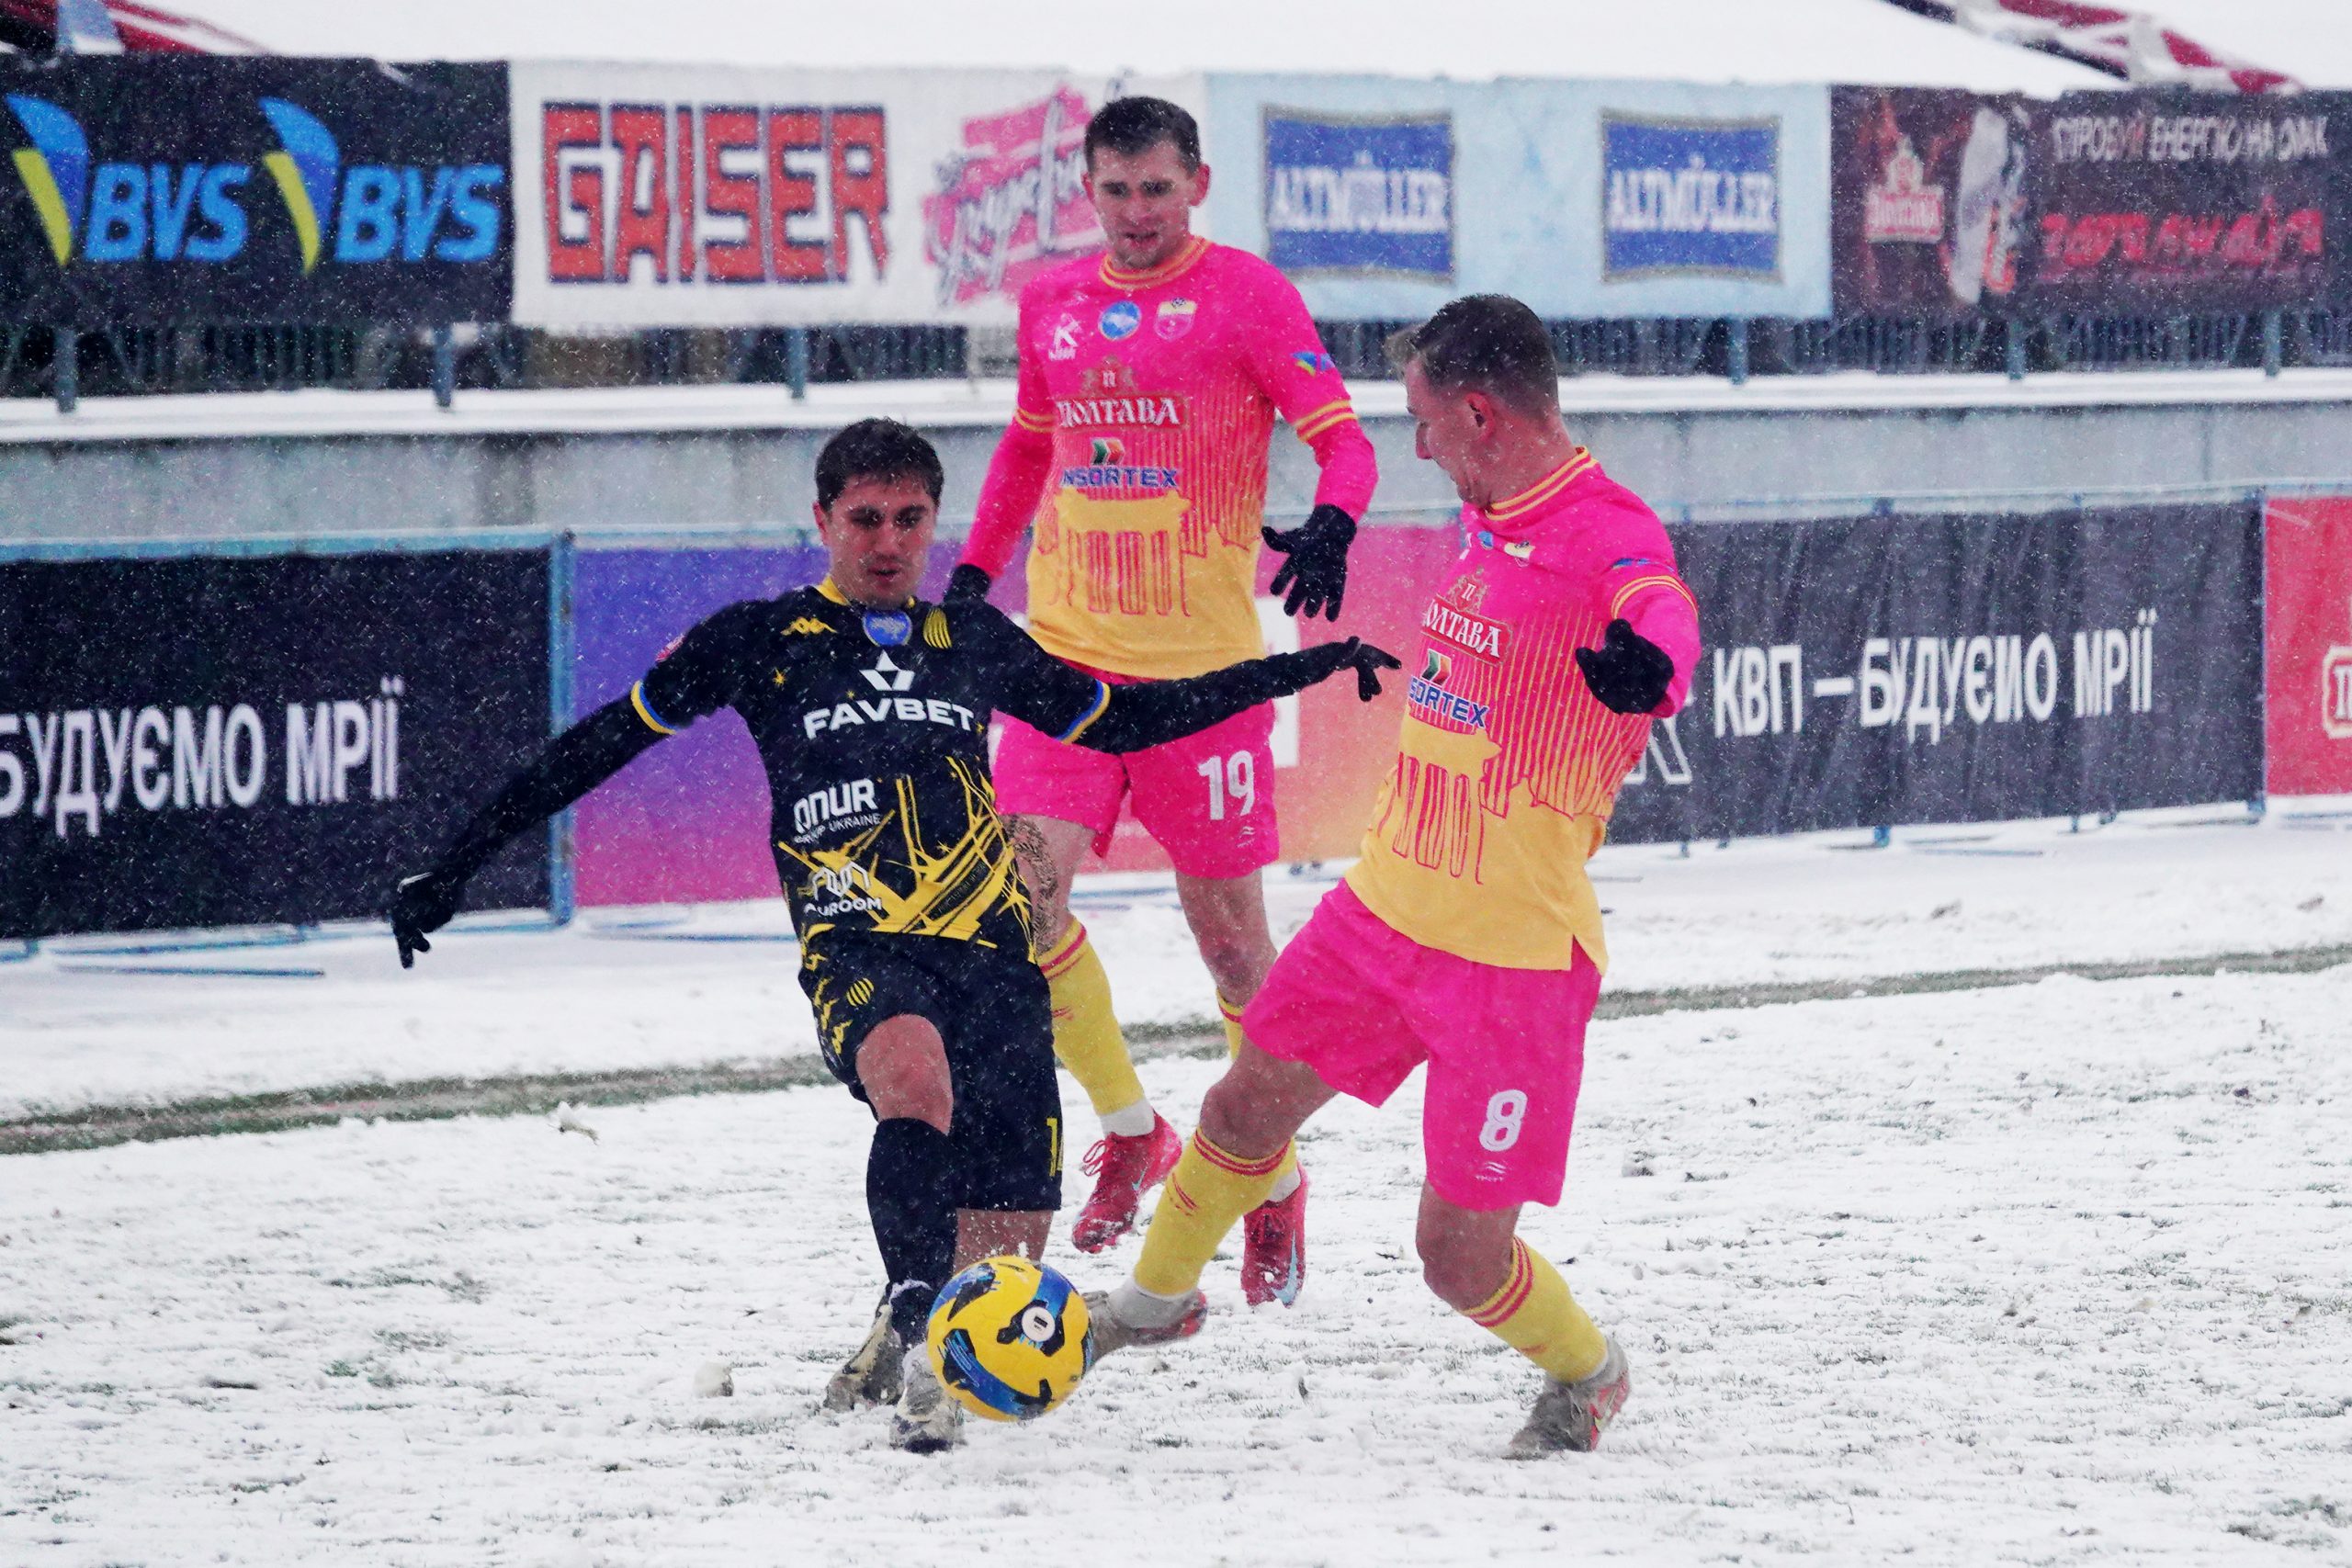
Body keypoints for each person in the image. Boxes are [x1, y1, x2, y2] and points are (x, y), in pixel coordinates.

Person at [388, 419, 1396, 1454]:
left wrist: (1298, 668)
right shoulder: (759, 639)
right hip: (858, 941)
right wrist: (459, 864)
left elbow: (1129, 720)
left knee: (1001, 1263)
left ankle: (919, 1348)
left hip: (994, 949)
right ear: (822, 520)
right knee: (913, 1081)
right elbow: (600, 742)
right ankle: (914, 1315)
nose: (887, 542)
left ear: (933, 524)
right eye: (865, 518)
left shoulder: (971, 638)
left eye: (910, 520)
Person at [1082, 296, 1702, 1457]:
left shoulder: (1602, 528)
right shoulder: (1488, 512)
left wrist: (1651, 667)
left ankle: (1591, 1372)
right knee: (1240, 1109)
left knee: (1456, 1260)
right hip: (1381, 912)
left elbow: (1658, 607)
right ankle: (1151, 1306)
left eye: (1421, 421)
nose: (1414, 447)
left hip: (1513, 961)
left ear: (1478, 413)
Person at [946, 95, 1379, 1304]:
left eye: (1156, 188)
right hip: (1066, 669)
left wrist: (1334, 522)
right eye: (1114, 190)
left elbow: (1345, 442)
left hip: (1201, 685)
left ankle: (1271, 1173)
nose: (1135, 213)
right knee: (1018, 907)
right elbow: (1028, 446)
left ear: (1197, 183)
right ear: (1086, 188)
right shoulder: (1052, 302)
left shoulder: (1248, 296)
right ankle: (1133, 1130)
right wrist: (974, 577)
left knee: (1233, 945)